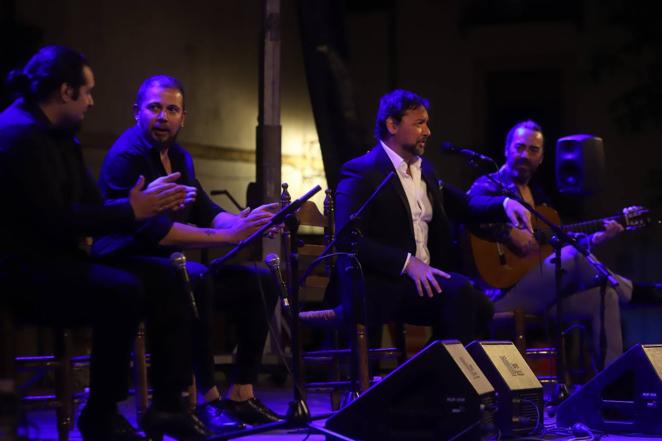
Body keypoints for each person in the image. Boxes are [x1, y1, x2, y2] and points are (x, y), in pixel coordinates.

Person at [0, 46, 189, 441]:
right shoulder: (18, 134)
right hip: (25, 271)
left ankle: (168, 406)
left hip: (60, 259)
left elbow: (89, 206)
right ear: (65, 91)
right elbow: (53, 219)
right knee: (121, 291)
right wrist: (133, 210)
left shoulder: (61, 136)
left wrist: (134, 206)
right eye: (86, 91)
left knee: (166, 277)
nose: (91, 100)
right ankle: (100, 415)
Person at [92, 75, 282, 433]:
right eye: (154, 108)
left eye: (172, 109)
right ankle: (206, 400)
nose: (162, 116)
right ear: (137, 112)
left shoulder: (179, 156)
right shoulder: (127, 157)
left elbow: (207, 210)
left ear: (183, 117)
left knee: (260, 280)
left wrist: (246, 222)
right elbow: (157, 233)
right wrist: (228, 236)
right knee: (194, 278)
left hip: (171, 269)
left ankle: (241, 393)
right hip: (130, 267)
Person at [312, 89, 531, 348]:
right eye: (419, 123)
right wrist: (407, 263)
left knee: (478, 304)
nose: (428, 131)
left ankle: (442, 377)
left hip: (421, 284)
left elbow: (465, 204)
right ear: (392, 125)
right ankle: (444, 379)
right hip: (379, 282)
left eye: (427, 123)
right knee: (461, 295)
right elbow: (348, 239)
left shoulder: (424, 169)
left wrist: (505, 204)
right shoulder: (361, 171)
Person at [467, 119, 660, 367]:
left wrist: (599, 237)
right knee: (573, 255)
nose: (525, 155)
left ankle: (610, 383)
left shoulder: (540, 199)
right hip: (500, 294)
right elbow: (468, 213)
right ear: (507, 149)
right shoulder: (490, 185)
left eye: (533, 150)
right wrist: (507, 233)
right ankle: (638, 292)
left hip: (544, 293)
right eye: (519, 147)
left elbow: (555, 247)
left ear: (542, 157)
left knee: (606, 295)